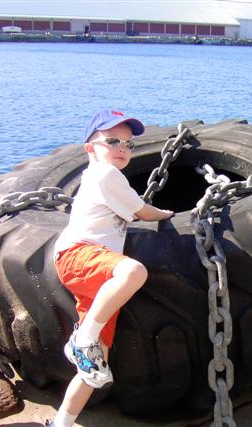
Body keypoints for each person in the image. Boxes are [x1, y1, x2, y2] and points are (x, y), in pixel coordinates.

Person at [48, 109, 174, 427]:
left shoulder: (99, 177)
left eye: (128, 144)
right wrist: (167, 214)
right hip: (79, 254)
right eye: (113, 141)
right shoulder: (106, 175)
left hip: (96, 272)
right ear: (90, 148)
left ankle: (61, 423)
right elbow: (142, 212)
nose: (122, 148)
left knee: (93, 366)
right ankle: (83, 337)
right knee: (133, 272)